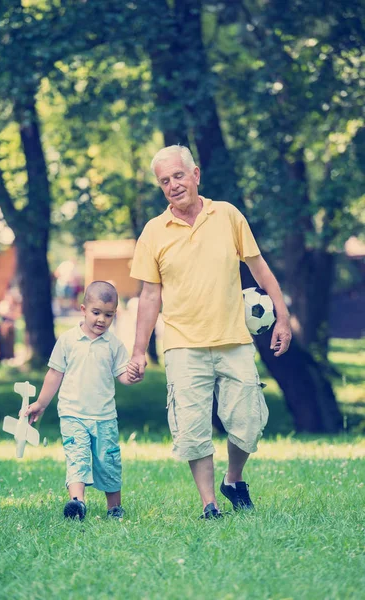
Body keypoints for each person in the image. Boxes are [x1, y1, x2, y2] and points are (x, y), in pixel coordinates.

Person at [127, 145, 292, 519]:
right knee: (192, 429)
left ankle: (233, 480)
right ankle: (209, 504)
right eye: (164, 181)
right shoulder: (153, 232)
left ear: (196, 174)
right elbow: (149, 295)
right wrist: (139, 349)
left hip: (234, 339)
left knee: (248, 421)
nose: (173, 185)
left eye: (178, 176)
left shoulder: (228, 215)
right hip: (183, 346)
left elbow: (259, 267)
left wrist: (282, 317)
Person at [24, 280, 142, 521]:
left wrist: (132, 376)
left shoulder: (114, 344)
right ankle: (77, 504)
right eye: (96, 313)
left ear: (114, 315)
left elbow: (122, 376)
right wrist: (41, 404)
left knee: (108, 461)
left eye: (108, 315)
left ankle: (114, 507)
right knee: (77, 457)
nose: (101, 319)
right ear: (83, 310)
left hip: (104, 416)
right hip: (72, 414)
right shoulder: (68, 341)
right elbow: (55, 374)